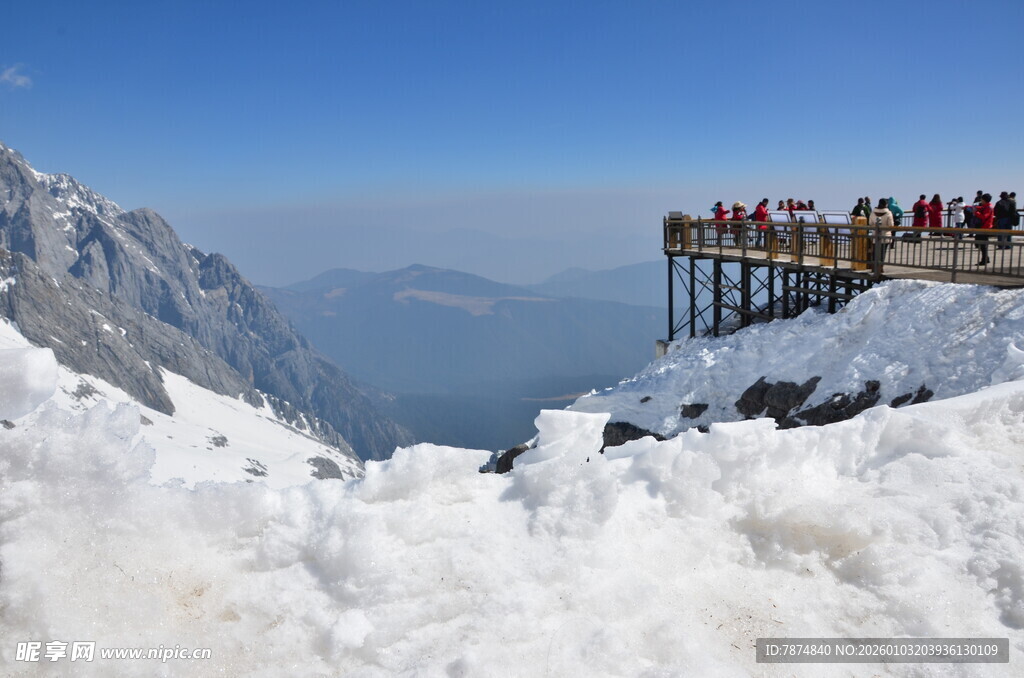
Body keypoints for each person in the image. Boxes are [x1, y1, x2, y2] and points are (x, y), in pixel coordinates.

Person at [868, 198, 895, 266]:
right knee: (883, 253)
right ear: (886, 204)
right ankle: (880, 267)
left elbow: (870, 224)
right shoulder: (888, 213)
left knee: (875, 252)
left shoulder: (873, 213)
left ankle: (874, 267)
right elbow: (891, 225)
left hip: (875, 235)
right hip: (885, 236)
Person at [974, 193, 994, 265]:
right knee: (982, 244)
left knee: (983, 244)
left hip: (985, 228)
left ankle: (984, 260)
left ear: (984, 200)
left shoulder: (988, 208)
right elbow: (982, 208)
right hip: (985, 227)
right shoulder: (987, 207)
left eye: (982, 199)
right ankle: (986, 258)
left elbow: (984, 217)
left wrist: (976, 212)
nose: (981, 201)